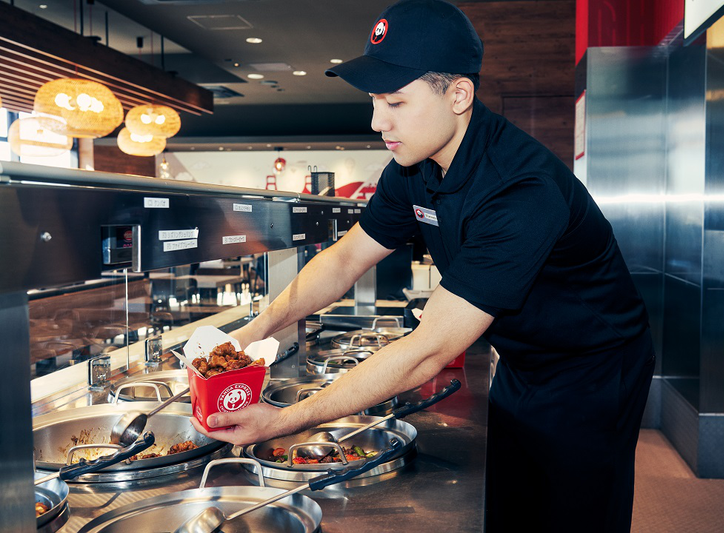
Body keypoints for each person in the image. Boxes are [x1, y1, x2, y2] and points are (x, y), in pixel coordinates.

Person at [189, 1, 655, 531]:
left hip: (593, 368)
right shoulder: (413, 166)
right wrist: (252, 332)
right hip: (522, 358)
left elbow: (429, 349)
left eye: (395, 101)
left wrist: (283, 420)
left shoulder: (522, 191)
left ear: (458, 95)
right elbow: (344, 259)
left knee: (574, 512)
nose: (377, 122)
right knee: (510, 503)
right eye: (373, 101)